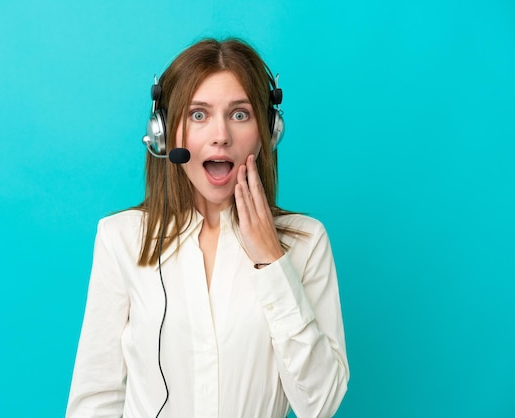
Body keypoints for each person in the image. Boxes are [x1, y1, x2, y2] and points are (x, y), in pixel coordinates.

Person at [66, 38, 349, 418]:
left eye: (239, 114)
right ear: (166, 133)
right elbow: (95, 400)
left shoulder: (305, 241)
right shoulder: (121, 238)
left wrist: (272, 262)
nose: (221, 135)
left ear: (267, 132)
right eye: (199, 115)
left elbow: (321, 404)